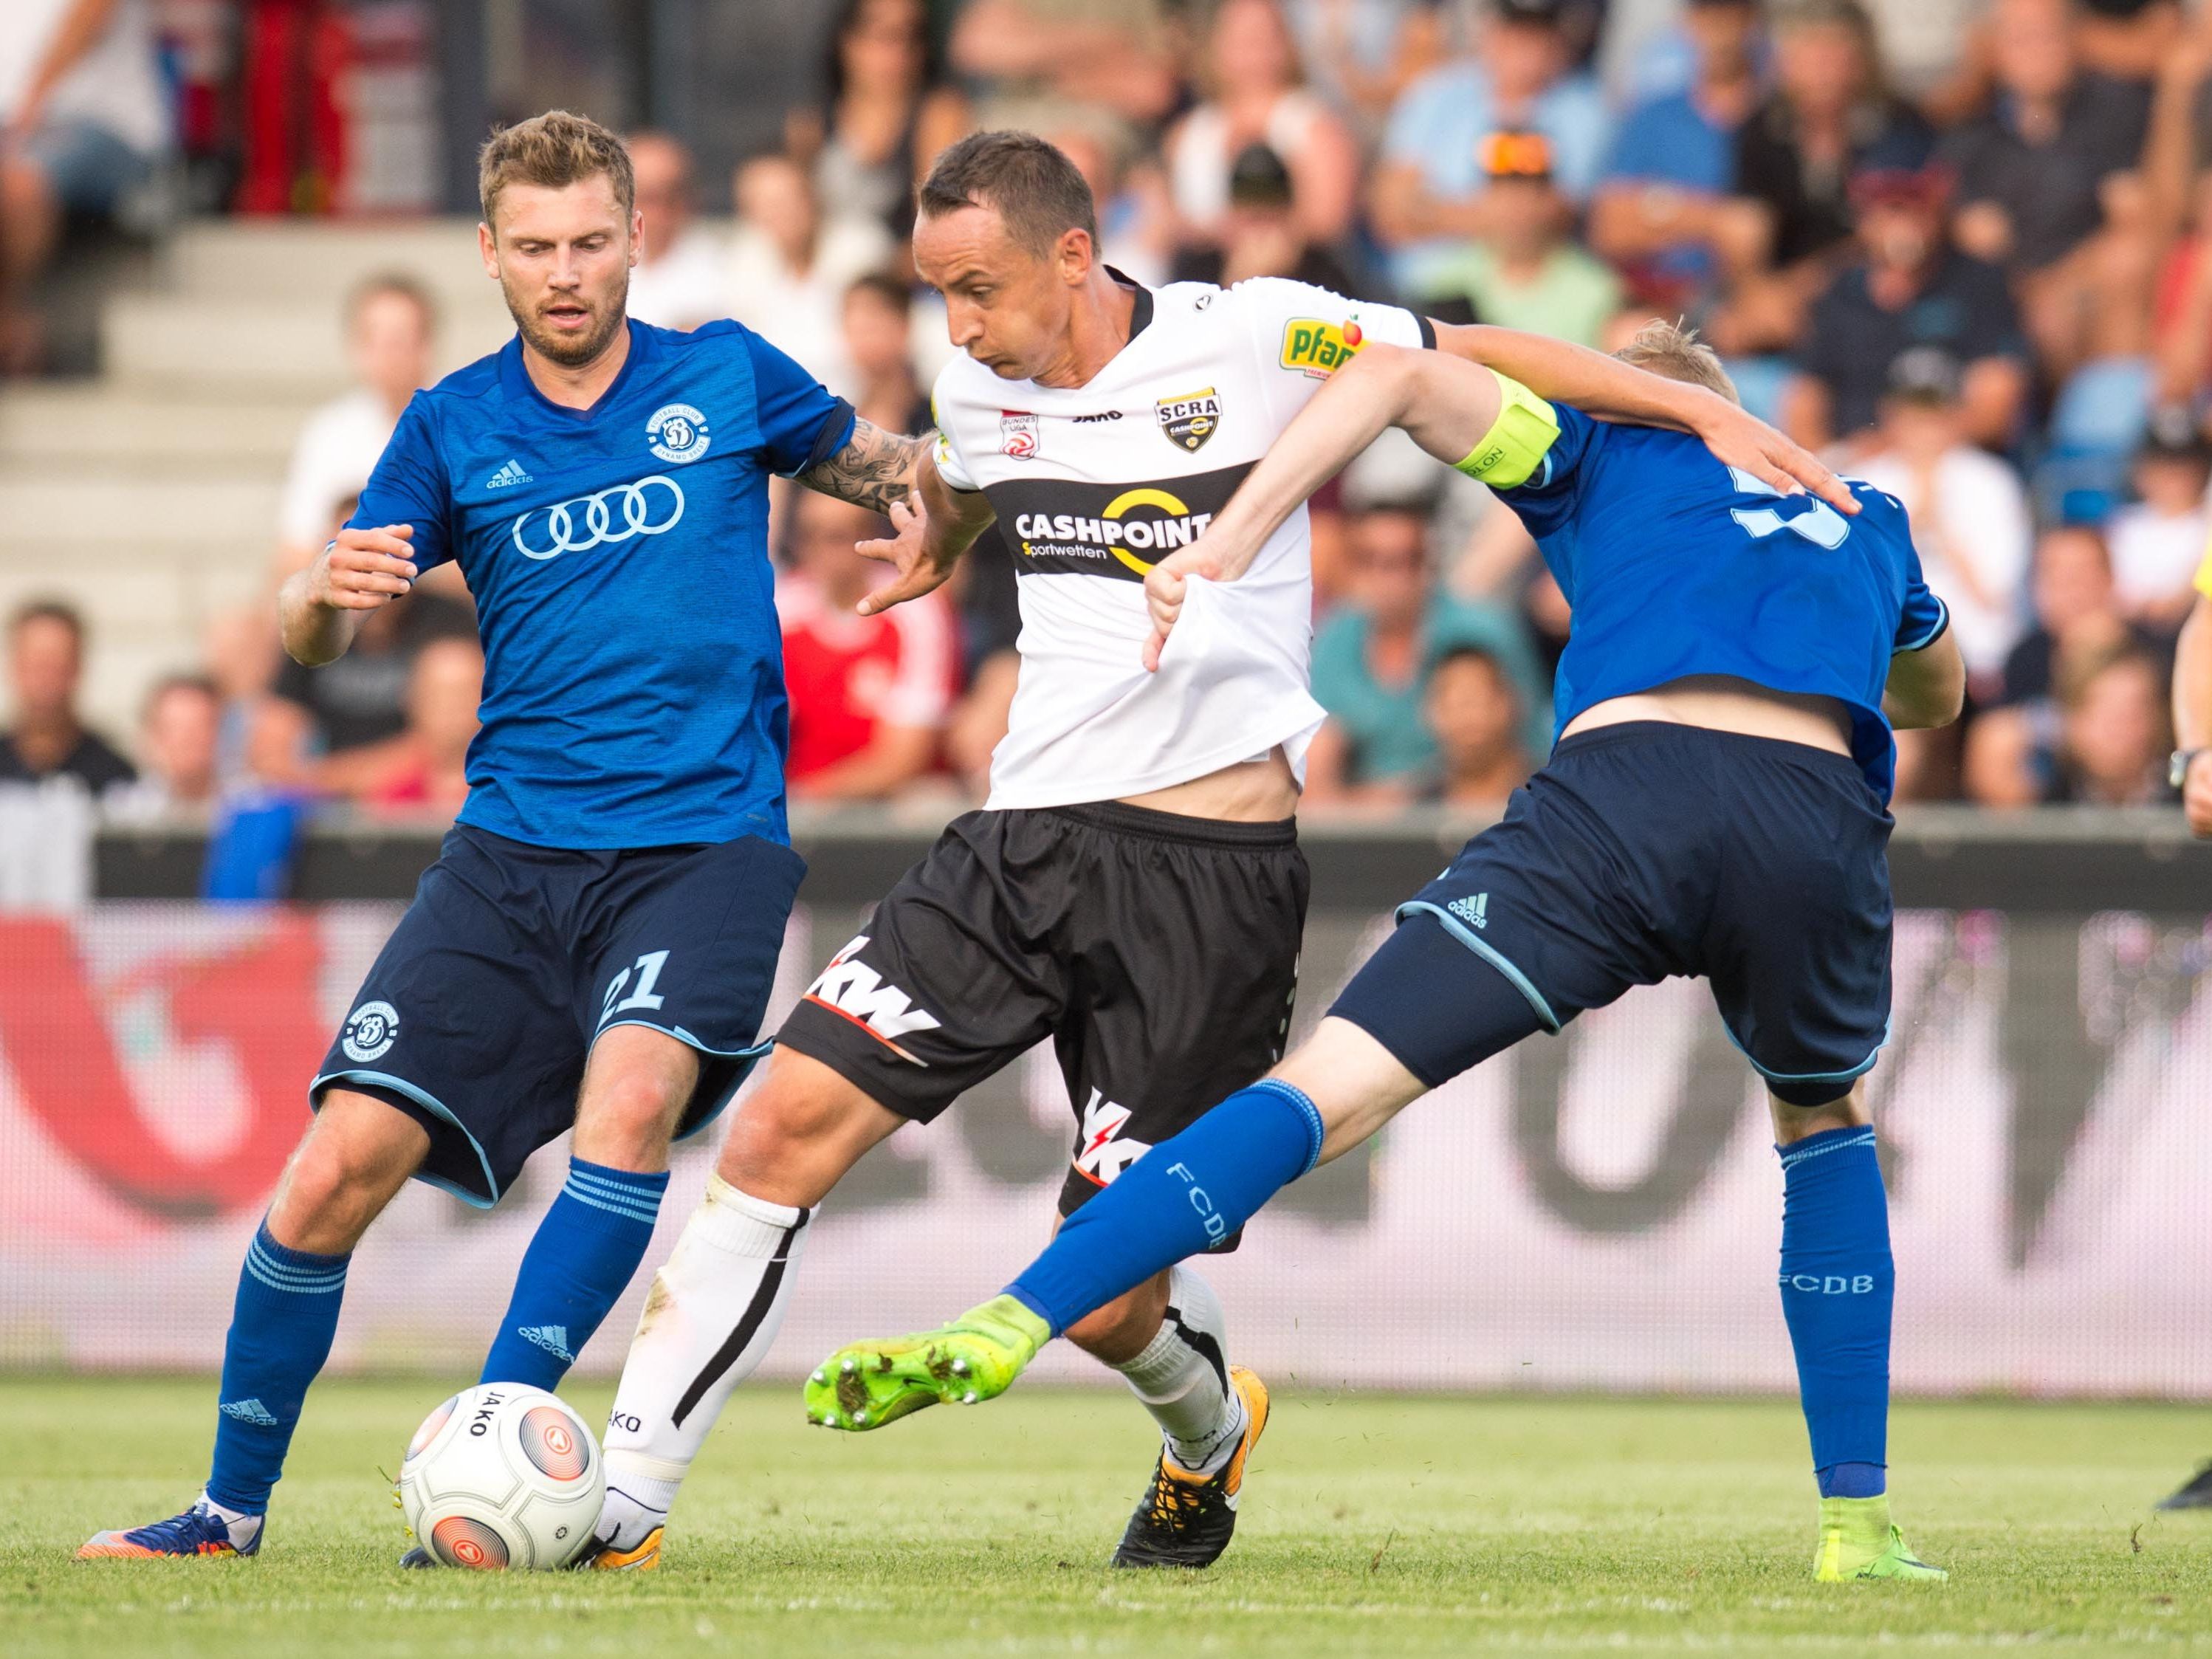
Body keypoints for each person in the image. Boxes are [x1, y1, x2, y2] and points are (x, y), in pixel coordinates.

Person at [591, 130, 1851, 1575]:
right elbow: (968, 463)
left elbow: (1470, 346)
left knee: (1109, 1293)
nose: (960, 325)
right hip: (1014, 847)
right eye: (940, 293)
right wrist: (940, 527)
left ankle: (1206, 1433)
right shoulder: (975, 387)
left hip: (1208, 880)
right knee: (773, 1130)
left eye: (979, 287)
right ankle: (621, 1502)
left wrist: (1696, 420)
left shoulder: (1250, 333)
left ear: (1077, 255)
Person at [803, 323, 1963, 1587]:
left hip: (1626, 797)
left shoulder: (1597, 446)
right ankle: (1856, 1527)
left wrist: (1231, 540)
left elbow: (1399, 375)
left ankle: (1016, 1311)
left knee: (1329, 1086)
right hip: (1811, 812)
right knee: (1823, 1122)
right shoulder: (1868, 509)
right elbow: (1934, 690)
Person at [78, 108, 938, 1565]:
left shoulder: (726, 370)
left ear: (634, 239)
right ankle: (225, 1512)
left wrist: (951, 506)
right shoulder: (449, 425)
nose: (565, 272)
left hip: (701, 849)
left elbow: (890, 465)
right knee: (329, 1167)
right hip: (510, 857)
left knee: (626, 1113)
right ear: (488, 253)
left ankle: (496, 1461)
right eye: (534, 248)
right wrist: (308, 587)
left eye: (590, 242)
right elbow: (321, 618)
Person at [1370, 0, 1612, 303]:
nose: (1525, 49)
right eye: (1513, 31)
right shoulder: (1437, 93)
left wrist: (1431, 213)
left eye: (1537, 35)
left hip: (1526, 298)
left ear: (1559, 41)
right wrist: (1496, 217)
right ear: (1491, 32)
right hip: (1421, 288)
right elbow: (1390, 214)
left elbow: (1548, 220)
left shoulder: (1583, 109)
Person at [1306, 500, 1545, 803]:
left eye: (1402, 561)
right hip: (1368, 825)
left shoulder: (1484, 631)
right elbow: (1317, 773)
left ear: (1428, 564)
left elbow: (1522, 748)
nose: (1387, 578)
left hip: (1478, 810)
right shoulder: (1336, 637)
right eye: (1369, 560)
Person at [1785, 158, 2030, 451]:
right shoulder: (1840, 291)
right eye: (1891, 207)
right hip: (1852, 464)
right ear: (1865, 218)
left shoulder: (1978, 283)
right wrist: (1827, 464)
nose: (1903, 223)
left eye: (1915, 205)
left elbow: (1994, 409)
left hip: (1950, 457)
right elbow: (1804, 402)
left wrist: (1889, 448)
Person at [1849, 348, 2033, 700]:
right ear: (1890, 415)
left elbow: (1995, 595)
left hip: (1980, 656)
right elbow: (1857, 585)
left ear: (1957, 415)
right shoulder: (1866, 481)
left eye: (1934, 413)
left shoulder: (1991, 480)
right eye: (1912, 413)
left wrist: (1938, 525)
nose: (1923, 427)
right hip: (1889, 649)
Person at [0, 0, 169, 371]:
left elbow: (90, 14)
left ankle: (12, 330)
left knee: (17, 186)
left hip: (103, 123)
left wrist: (30, 101)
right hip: (20, 127)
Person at [778, 490, 957, 800]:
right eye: (812, 536)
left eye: (842, 535)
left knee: (931, 803)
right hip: (796, 794)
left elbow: (905, 756)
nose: (828, 551)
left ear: (872, 536)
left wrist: (810, 797)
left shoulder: (915, 608)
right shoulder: (779, 609)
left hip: (891, 798)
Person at [1589, 0, 1763, 310]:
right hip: (1660, 303)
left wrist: (1655, 209)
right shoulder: (1654, 116)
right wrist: (1714, 221)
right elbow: (1609, 226)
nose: (1719, 29)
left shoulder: (1776, 122)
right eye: (1706, 13)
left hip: (1743, 307)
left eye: (1731, 13)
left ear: (1753, 20)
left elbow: (1755, 237)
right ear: (1688, 22)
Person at [1164, 0, 1360, 253]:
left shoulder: (1316, 125)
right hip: (1203, 275)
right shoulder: (1188, 133)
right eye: (1243, 37)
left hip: (1295, 274)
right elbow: (1172, 224)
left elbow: (1327, 221)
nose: (1255, 48)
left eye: (1266, 35)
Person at [275, 278, 439, 578]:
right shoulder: (329, 431)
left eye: (401, 338)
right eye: (376, 339)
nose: (390, 354)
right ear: (356, 347)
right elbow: (295, 551)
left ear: (426, 345)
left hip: (430, 604)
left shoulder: (459, 425)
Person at [786, 0, 970, 241]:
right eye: (886, 36)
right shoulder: (811, 125)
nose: (900, 52)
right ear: (848, 42)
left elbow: (938, 227)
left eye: (913, 36)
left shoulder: (940, 115)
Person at [1424, 130, 1622, 348]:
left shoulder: (1595, 291)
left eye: (1530, 193)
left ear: (1553, 200)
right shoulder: (1445, 283)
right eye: (1504, 192)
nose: (1516, 208)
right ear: (1481, 198)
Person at [725, 153, 895, 395]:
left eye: (787, 199)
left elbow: (878, 349)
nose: (780, 213)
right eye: (764, 204)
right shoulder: (745, 260)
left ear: (813, 197)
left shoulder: (863, 246)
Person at [313, 635, 484, 818]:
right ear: (412, 701)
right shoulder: (390, 786)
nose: (451, 710)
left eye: (463, 696)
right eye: (438, 697)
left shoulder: (506, 787)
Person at [0, 599, 134, 794]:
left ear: (79, 668)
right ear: (13, 666)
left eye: (57, 666)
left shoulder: (115, 777)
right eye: (36, 665)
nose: (45, 680)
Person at [2106, 407, 2212, 631]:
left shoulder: (2207, 524)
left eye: (2183, 466)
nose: (2173, 477)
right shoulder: (2122, 524)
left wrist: (2180, 601)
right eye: (2162, 465)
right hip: (2129, 632)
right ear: (2142, 470)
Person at [622, 131, 729, 332]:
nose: (662, 209)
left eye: (673, 194)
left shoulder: (723, 267)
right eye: (649, 196)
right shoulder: (601, 262)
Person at [1417, 643, 1531, 807]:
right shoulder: (1417, 807)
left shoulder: (1553, 797)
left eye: (1479, 696)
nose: (1468, 713)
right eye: (1455, 701)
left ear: (1510, 702)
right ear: (1430, 712)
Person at [106, 673, 221, 819]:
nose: (189, 740)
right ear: (148, 738)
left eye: (202, 727)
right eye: (176, 729)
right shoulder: (120, 813)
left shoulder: (247, 809)